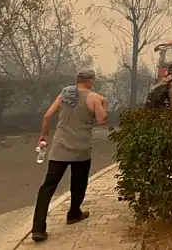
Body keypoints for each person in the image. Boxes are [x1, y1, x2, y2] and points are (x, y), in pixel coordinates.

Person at [31, 68, 108, 243]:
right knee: (78, 183)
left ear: (77, 80)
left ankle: (38, 229)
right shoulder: (95, 98)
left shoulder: (64, 94)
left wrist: (44, 136)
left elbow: (47, 116)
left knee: (48, 187)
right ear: (91, 81)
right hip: (81, 149)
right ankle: (74, 213)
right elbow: (102, 121)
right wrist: (105, 104)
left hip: (59, 149)